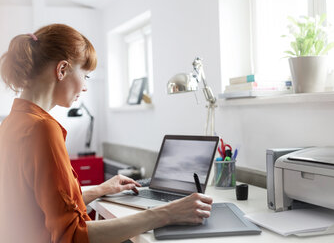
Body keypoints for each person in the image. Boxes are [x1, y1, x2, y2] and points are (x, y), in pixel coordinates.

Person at [0, 24, 213, 243]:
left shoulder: (12, 123)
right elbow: (72, 236)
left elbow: (39, 209)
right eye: (86, 76)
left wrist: (99, 190)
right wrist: (165, 213)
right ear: (62, 69)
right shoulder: (43, 129)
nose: (84, 88)